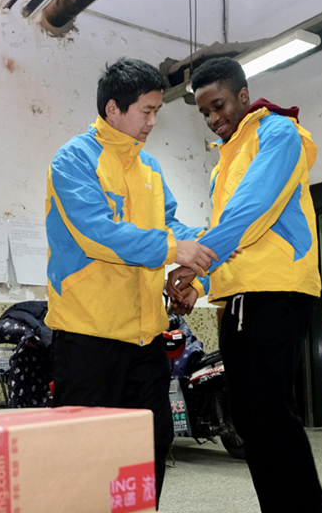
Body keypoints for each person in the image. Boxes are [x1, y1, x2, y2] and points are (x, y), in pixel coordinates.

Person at [44, 57, 217, 505]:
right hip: (88, 337)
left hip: (145, 338)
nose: (153, 121)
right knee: (88, 454)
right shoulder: (74, 160)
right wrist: (175, 251)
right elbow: (98, 234)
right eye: (147, 110)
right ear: (113, 109)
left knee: (151, 446)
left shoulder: (150, 169)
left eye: (158, 111)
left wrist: (200, 250)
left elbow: (171, 224)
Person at [167, 57, 322, 512]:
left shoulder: (278, 133)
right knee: (247, 418)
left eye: (218, 106)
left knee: (272, 413)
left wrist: (196, 263)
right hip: (237, 299)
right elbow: (233, 240)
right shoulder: (224, 161)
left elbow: (251, 212)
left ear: (242, 95)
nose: (213, 118)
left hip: (279, 290)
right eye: (205, 112)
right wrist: (202, 284)